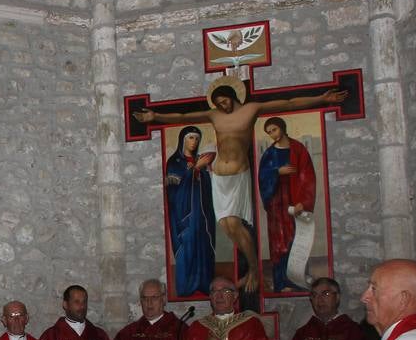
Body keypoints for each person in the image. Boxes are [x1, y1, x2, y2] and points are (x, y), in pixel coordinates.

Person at [136, 80, 347, 291]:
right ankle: (252, 270)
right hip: (219, 175)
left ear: (233, 96)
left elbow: (289, 103)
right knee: (226, 226)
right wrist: (155, 117)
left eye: (225, 101)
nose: (223, 106)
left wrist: (322, 99)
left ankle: (254, 270)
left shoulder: (251, 110)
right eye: (218, 103)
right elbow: (183, 117)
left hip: (238, 175)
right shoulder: (214, 115)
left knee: (235, 223)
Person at [257, 116, 316, 291]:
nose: (272, 134)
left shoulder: (298, 149)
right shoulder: (269, 154)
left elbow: (308, 177)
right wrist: (277, 172)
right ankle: (281, 282)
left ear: (282, 128)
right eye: (269, 132)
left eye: (274, 130)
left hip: (294, 200)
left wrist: (303, 202)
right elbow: (262, 177)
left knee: (296, 239)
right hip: (277, 204)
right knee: (279, 242)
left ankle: (297, 280)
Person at [164, 126, 216, 297]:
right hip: (184, 215)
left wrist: (204, 172)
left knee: (203, 245)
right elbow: (173, 193)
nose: (194, 142)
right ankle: (186, 286)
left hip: (201, 213)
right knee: (188, 244)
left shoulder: (200, 159)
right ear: (183, 140)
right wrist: (194, 170)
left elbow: (207, 188)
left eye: (196, 138)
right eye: (191, 138)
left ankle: (203, 283)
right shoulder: (175, 162)